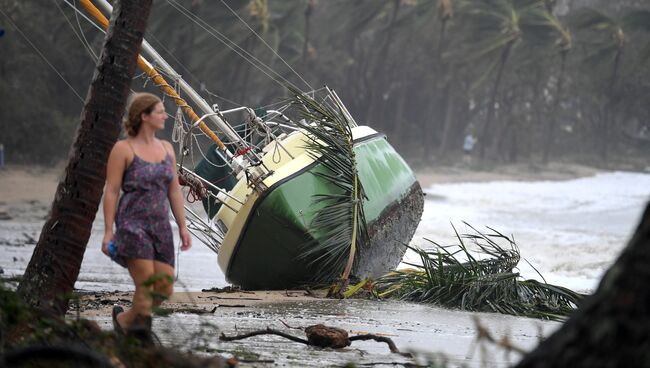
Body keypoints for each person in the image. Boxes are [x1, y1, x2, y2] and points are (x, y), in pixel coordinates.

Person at [102, 92, 191, 335]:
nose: (166, 115)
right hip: (132, 225)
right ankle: (141, 340)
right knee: (146, 285)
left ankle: (124, 321)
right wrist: (108, 231)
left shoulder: (167, 149)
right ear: (144, 116)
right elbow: (111, 191)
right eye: (160, 111)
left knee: (163, 288)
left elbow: (174, 191)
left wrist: (183, 227)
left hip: (161, 226)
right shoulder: (123, 149)